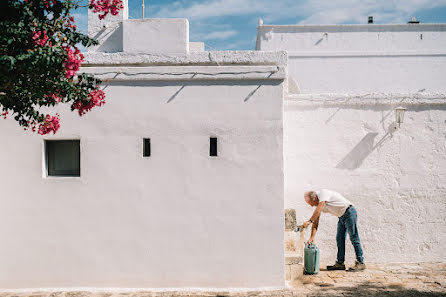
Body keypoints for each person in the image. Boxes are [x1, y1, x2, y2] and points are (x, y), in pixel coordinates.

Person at [302, 189, 365, 271]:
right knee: (339, 239)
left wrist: (309, 221)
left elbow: (315, 214)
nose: (311, 206)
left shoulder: (322, 193)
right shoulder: (319, 205)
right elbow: (315, 222)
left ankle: (361, 263)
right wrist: (312, 237)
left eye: (311, 203)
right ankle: (340, 263)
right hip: (341, 217)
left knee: (353, 237)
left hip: (349, 212)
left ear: (314, 198)